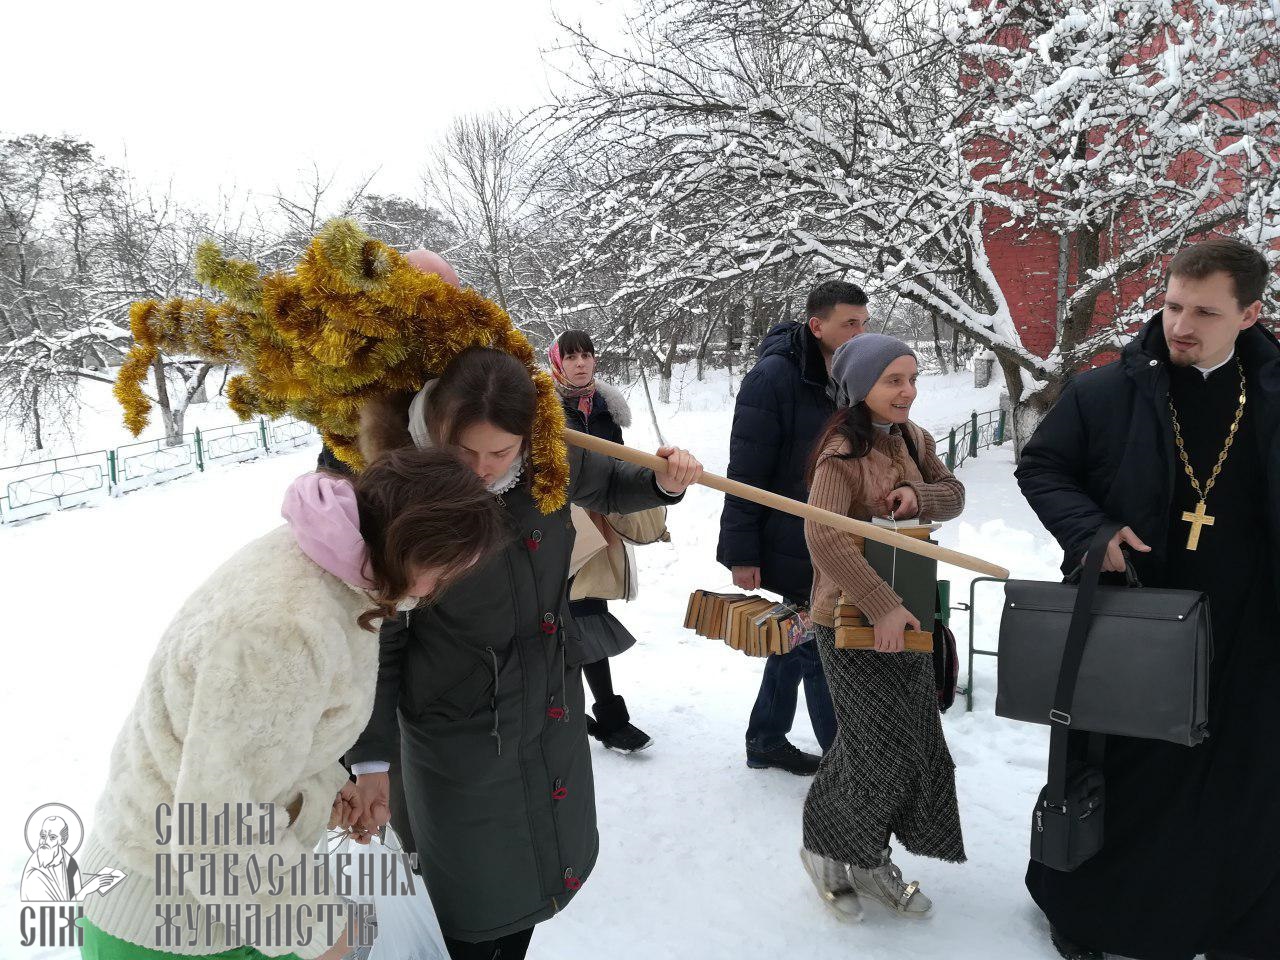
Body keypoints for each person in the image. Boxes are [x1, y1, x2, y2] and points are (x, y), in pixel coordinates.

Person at [77, 448, 507, 960]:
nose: (441, 589)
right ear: (412, 545)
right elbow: (217, 828)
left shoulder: (330, 564)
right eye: (446, 571)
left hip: (214, 902)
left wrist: (319, 787)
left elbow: (251, 737)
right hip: (173, 918)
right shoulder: (287, 629)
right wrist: (320, 932)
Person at [346, 346, 703, 960]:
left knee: (535, 884)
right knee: (470, 907)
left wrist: (661, 482)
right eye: (465, 451)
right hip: (459, 735)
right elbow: (380, 638)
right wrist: (372, 759)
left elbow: (611, 483)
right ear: (438, 428)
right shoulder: (403, 491)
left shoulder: (548, 461)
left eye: (500, 452)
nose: (483, 470)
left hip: (546, 706)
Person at [1016, 237, 1279, 960]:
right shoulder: (1109, 391)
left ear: (1250, 315)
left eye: (1205, 312)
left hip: (1250, 631)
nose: (1180, 326)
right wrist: (1090, 531)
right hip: (1134, 621)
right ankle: (1091, 917)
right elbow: (1043, 468)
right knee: (1124, 775)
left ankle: (1231, 920)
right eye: (1171, 305)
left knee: (1240, 780)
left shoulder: (1271, 396)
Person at [800, 333, 966, 920]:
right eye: (894, 380)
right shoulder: (840, 452)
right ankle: (828, 852)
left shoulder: (913, 438)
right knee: (874, 747)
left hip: (910, 613)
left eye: (913, 378)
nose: (908, 391)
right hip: (850, 621)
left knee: (907, 742)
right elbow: (823, 535)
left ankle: (867, 858)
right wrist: (880, 605)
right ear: (859, 386)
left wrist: (916, 496)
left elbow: (954, 494)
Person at [717, 279, 867, 774]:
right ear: (817, 325)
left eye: (864, 323)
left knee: (797, 641)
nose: (859, 333)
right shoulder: (773, 378)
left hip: (835, 534)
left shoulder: (850, 374)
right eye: (849, 323)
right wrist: (742, 553)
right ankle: (844, 766)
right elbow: (746, 470)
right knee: (820, 644)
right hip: (792, 535)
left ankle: (765, 738)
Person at [550, 328, 656, 753]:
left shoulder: (606, 410)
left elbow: (618, 467)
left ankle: (606, 719)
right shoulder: (544, 408)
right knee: (559, 622)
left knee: (586, 615)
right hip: (552, 527)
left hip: (595, 523)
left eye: (586, 355)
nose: (580, 363)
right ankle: (576, 714)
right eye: (571, 356)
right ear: (557, 362)